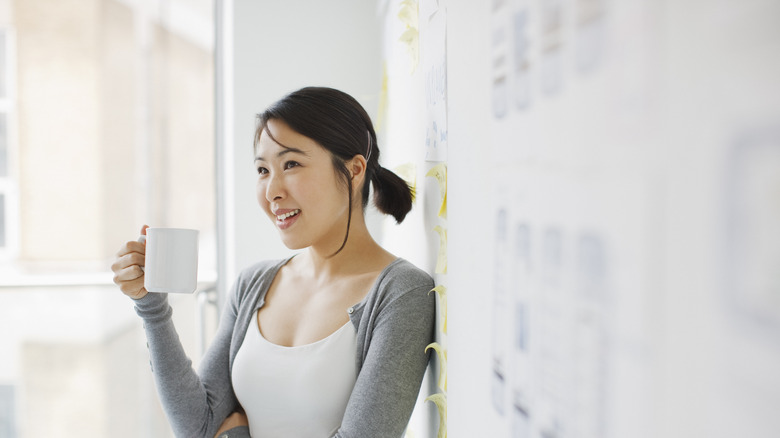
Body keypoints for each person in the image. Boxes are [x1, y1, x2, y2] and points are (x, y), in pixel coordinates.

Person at [111, 86, 436, 438]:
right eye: (263, 170)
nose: (272, 192)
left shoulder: (401, 293)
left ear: (354, 170)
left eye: (291, 164)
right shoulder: (255, 283)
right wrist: (151, 305)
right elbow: (197, 426)